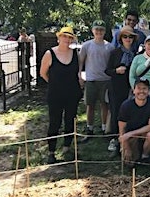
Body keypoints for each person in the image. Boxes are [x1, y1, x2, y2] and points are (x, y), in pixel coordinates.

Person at [39, 26, 82, 164]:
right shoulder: (49, 54)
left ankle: (66, 148)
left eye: (69, 37)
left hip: (72, 94)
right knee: (54, 122)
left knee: (70, 121)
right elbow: (43, 73)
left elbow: (78, 73)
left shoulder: (76, 54)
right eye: (64, 36)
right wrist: (54, 84)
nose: (66, 39)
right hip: (55, 94)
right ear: (59, 37)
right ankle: (51, 152)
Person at [78, 20, 114, 142]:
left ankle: (104, 128)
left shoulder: (109, 47)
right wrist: (80, 76)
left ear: (104, 31)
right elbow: (81, 62)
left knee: (105, 105)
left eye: (101, 30)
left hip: (105, 80)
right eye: (96, 29)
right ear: (92, 30)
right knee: (90, 105)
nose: (99, 32)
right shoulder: (86, 45)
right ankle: (90, 128)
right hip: (91, 80)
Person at [104, 26, 138, 154]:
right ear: (120, 38)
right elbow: (107, 70)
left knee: (128, 113)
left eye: (130, 37)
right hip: (115, 87)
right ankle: (114, 138)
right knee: (115, 112)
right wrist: (116, 71)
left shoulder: (136, 54)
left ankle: (126, 138)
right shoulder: (115, 53)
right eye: (125, 36)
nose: (128, 39)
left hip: (129, 88)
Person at [118, 77, 150, 167]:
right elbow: (122, 130)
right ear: (134, 91)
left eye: (144, 88)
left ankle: (145, 157)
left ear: (149, 91)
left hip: (144, 132)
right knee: (128, 162)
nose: (141, 91)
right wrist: (126, 147)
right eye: (139, 88)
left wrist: (131, 133)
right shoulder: (126, 105)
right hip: (129, 134)